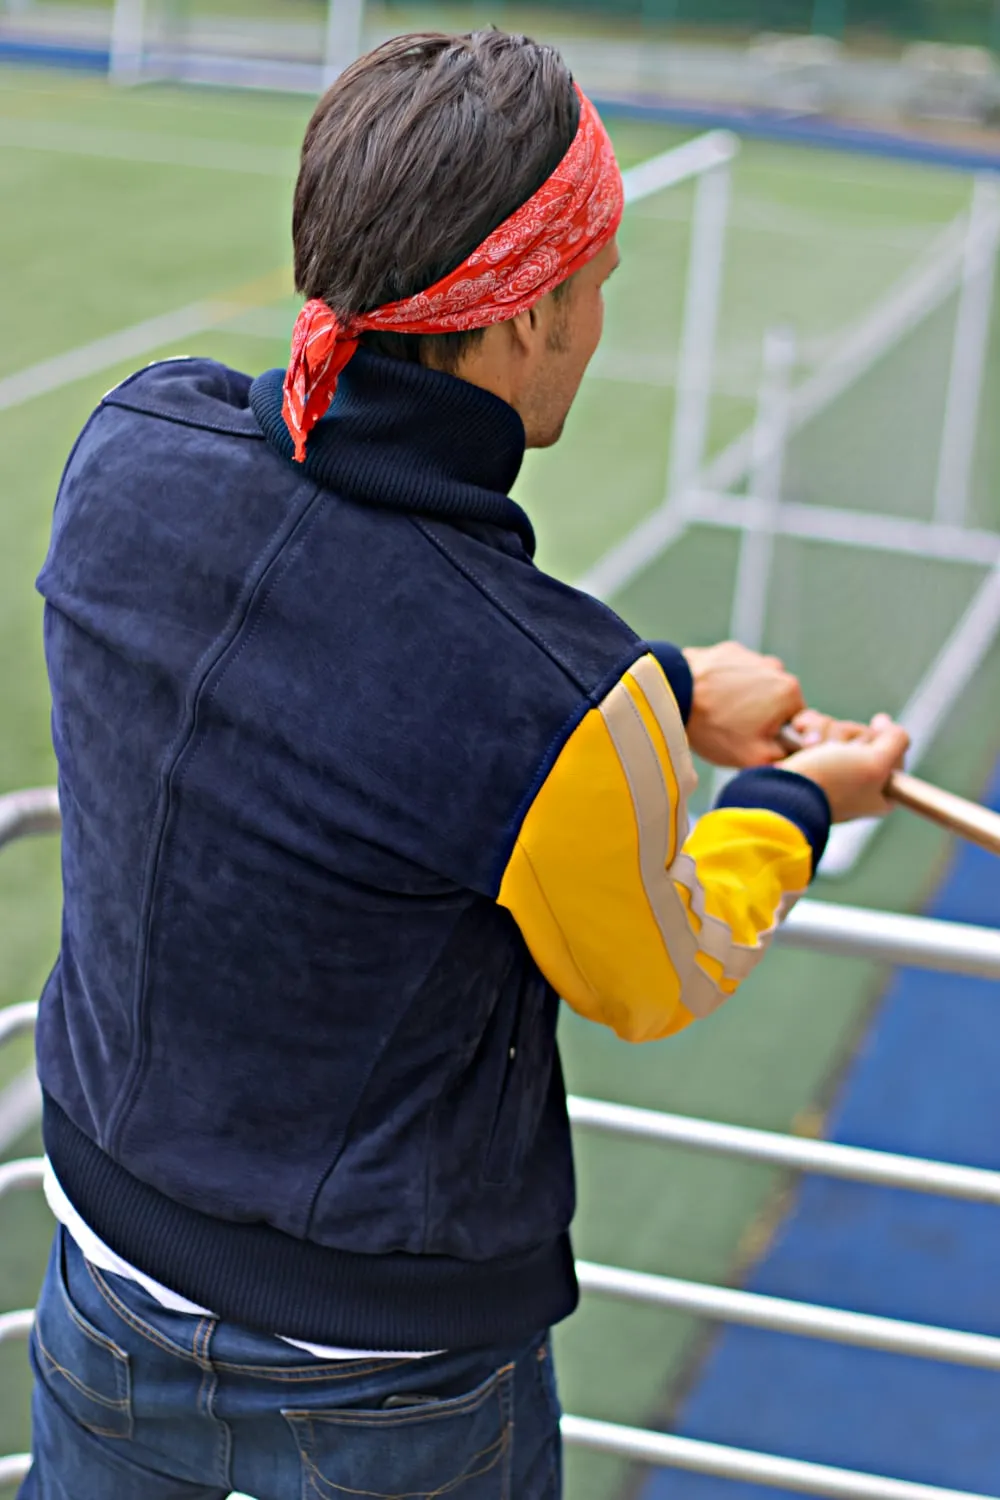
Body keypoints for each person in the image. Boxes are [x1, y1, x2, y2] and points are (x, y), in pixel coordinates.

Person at [19, 29, 908, 1500]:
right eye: (597, 289)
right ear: (523, 314)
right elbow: (656, 968)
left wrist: (666, 693)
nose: (602, 321)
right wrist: (799, 801)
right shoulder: (549, 696)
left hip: (103, 1289)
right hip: (393, 1383)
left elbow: (318, 678)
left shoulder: (131, 447)